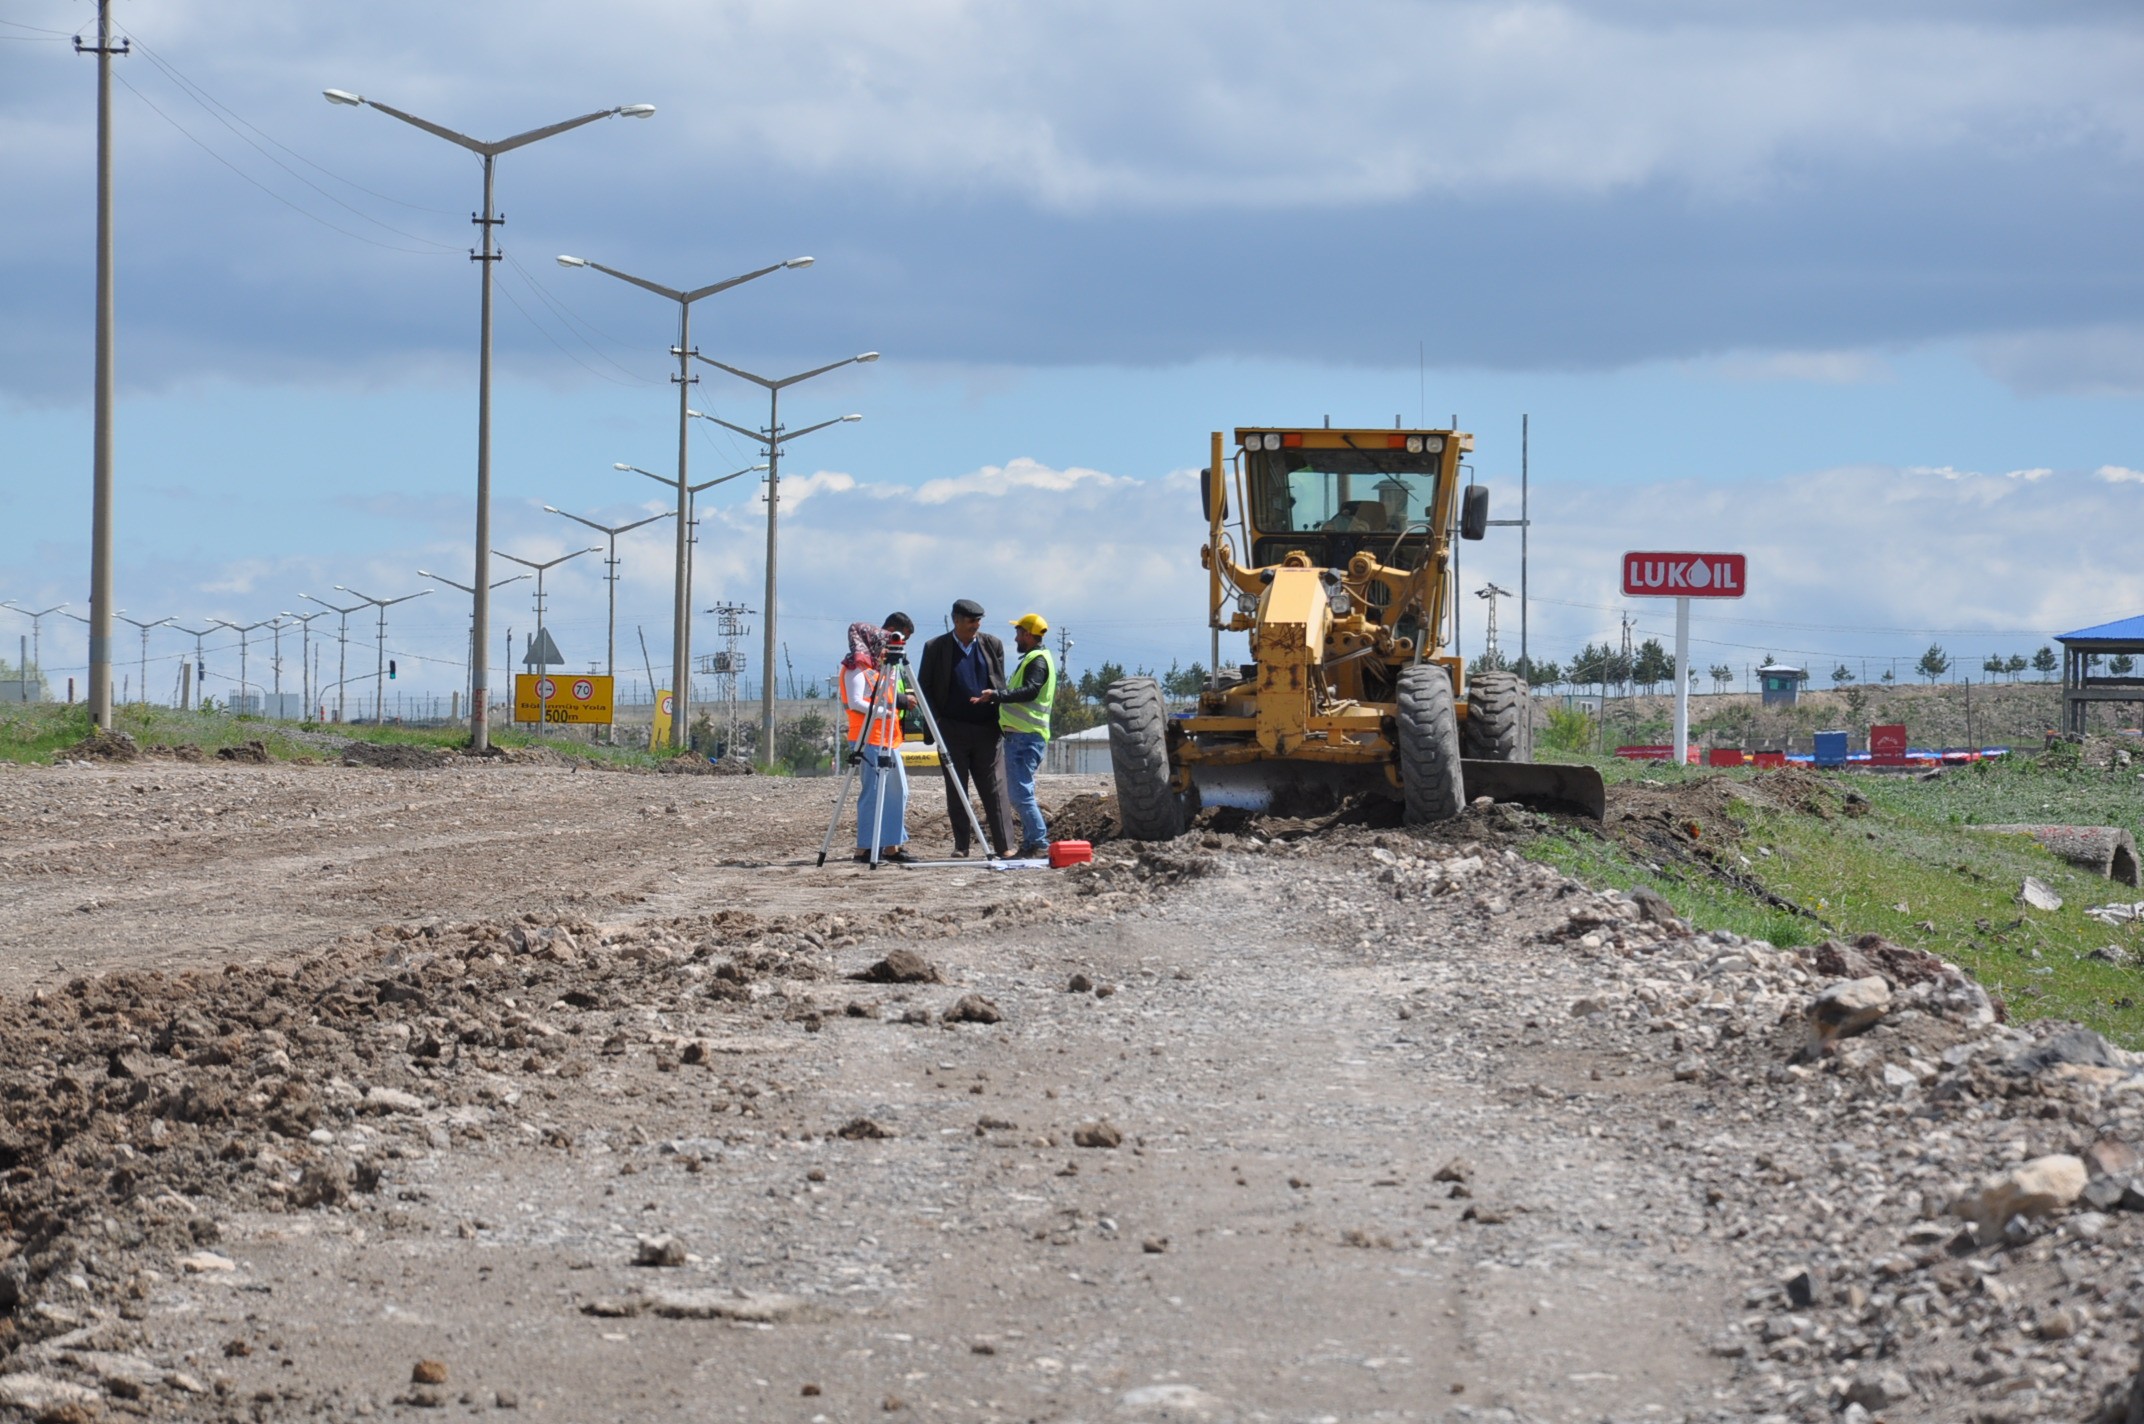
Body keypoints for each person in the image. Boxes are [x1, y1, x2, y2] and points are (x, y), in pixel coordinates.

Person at [916, 598, 1013, 858]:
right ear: (956, 620)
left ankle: (1004, 846)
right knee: (957, 789)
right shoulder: (935, 647)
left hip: (987, 730)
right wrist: (936, 723)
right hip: (951, 731)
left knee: (995, 789)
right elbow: (923, 687)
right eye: (971, 620)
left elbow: (1001, 683)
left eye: (979, 620)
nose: (976, 625)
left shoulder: (992, 645)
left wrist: (993, 697)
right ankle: (962, 846)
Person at [971, 612, 1056, 859]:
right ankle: (1032, 843)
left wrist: (998, 695)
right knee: (1020, 792)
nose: (1016, 637)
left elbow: (1030, 691)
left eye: (1018, 632)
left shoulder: (1037, 661)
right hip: (1024, 736)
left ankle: (1039, 841)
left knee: (1020, 794)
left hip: (1025, 736)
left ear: (1027, 634)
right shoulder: (1036, 658)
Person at [840, 620, 916, 864]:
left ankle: (891, 845)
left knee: (897, 792)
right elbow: (855, 702)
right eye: (882, 646)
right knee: (873, 793)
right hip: (867, 739)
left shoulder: (876, 668)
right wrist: (884, 712)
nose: (885, 650)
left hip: (886, 738)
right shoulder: (856, 668)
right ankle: (865, 848)